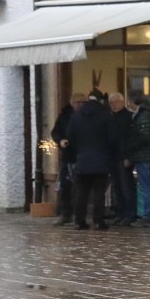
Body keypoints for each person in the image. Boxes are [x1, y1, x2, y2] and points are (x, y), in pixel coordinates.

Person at [62, 91, 114, 231]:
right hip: (101, 159)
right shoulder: (105, 115)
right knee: (99, 192)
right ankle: (98, 221)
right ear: (100, 100)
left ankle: (79, 221)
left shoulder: (76, 116)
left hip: (82, 159)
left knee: (82, 192)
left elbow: (70, 137)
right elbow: (112, 137)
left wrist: (79, 151)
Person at [125, 92, 150, 227]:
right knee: (146, 185)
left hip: (144, 155)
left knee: (146, 186)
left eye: (129, 101)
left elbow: (143, 137)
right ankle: (148, 214)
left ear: (133, 101)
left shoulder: (143, 115)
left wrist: (130, 148)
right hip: (146, 154)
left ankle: (148, 215)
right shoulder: (148, 113)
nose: (128, 104)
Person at [50, 93, 84, 226]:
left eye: (82, 102)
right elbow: (55, 132)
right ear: (72, 103)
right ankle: (66, 214)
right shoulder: (64, 115)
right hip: (68, 155)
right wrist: (60, 140)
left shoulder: (87, 115)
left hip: (82, 156)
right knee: (65, 186)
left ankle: (78, 215)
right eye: (77, 102)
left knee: (80, 187)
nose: (80, 105)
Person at [107, 93, 135, 225]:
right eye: (111, 103)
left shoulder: (129, 117)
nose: (114, 105)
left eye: (116, 102)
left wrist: (128, 156)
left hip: (123, 157)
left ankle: (130, 214)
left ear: (122, 102)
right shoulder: (110, 118)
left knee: (126, 187)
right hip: (112, 157)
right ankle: (120, 213)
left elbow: (129, 139)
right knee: (117, 187)